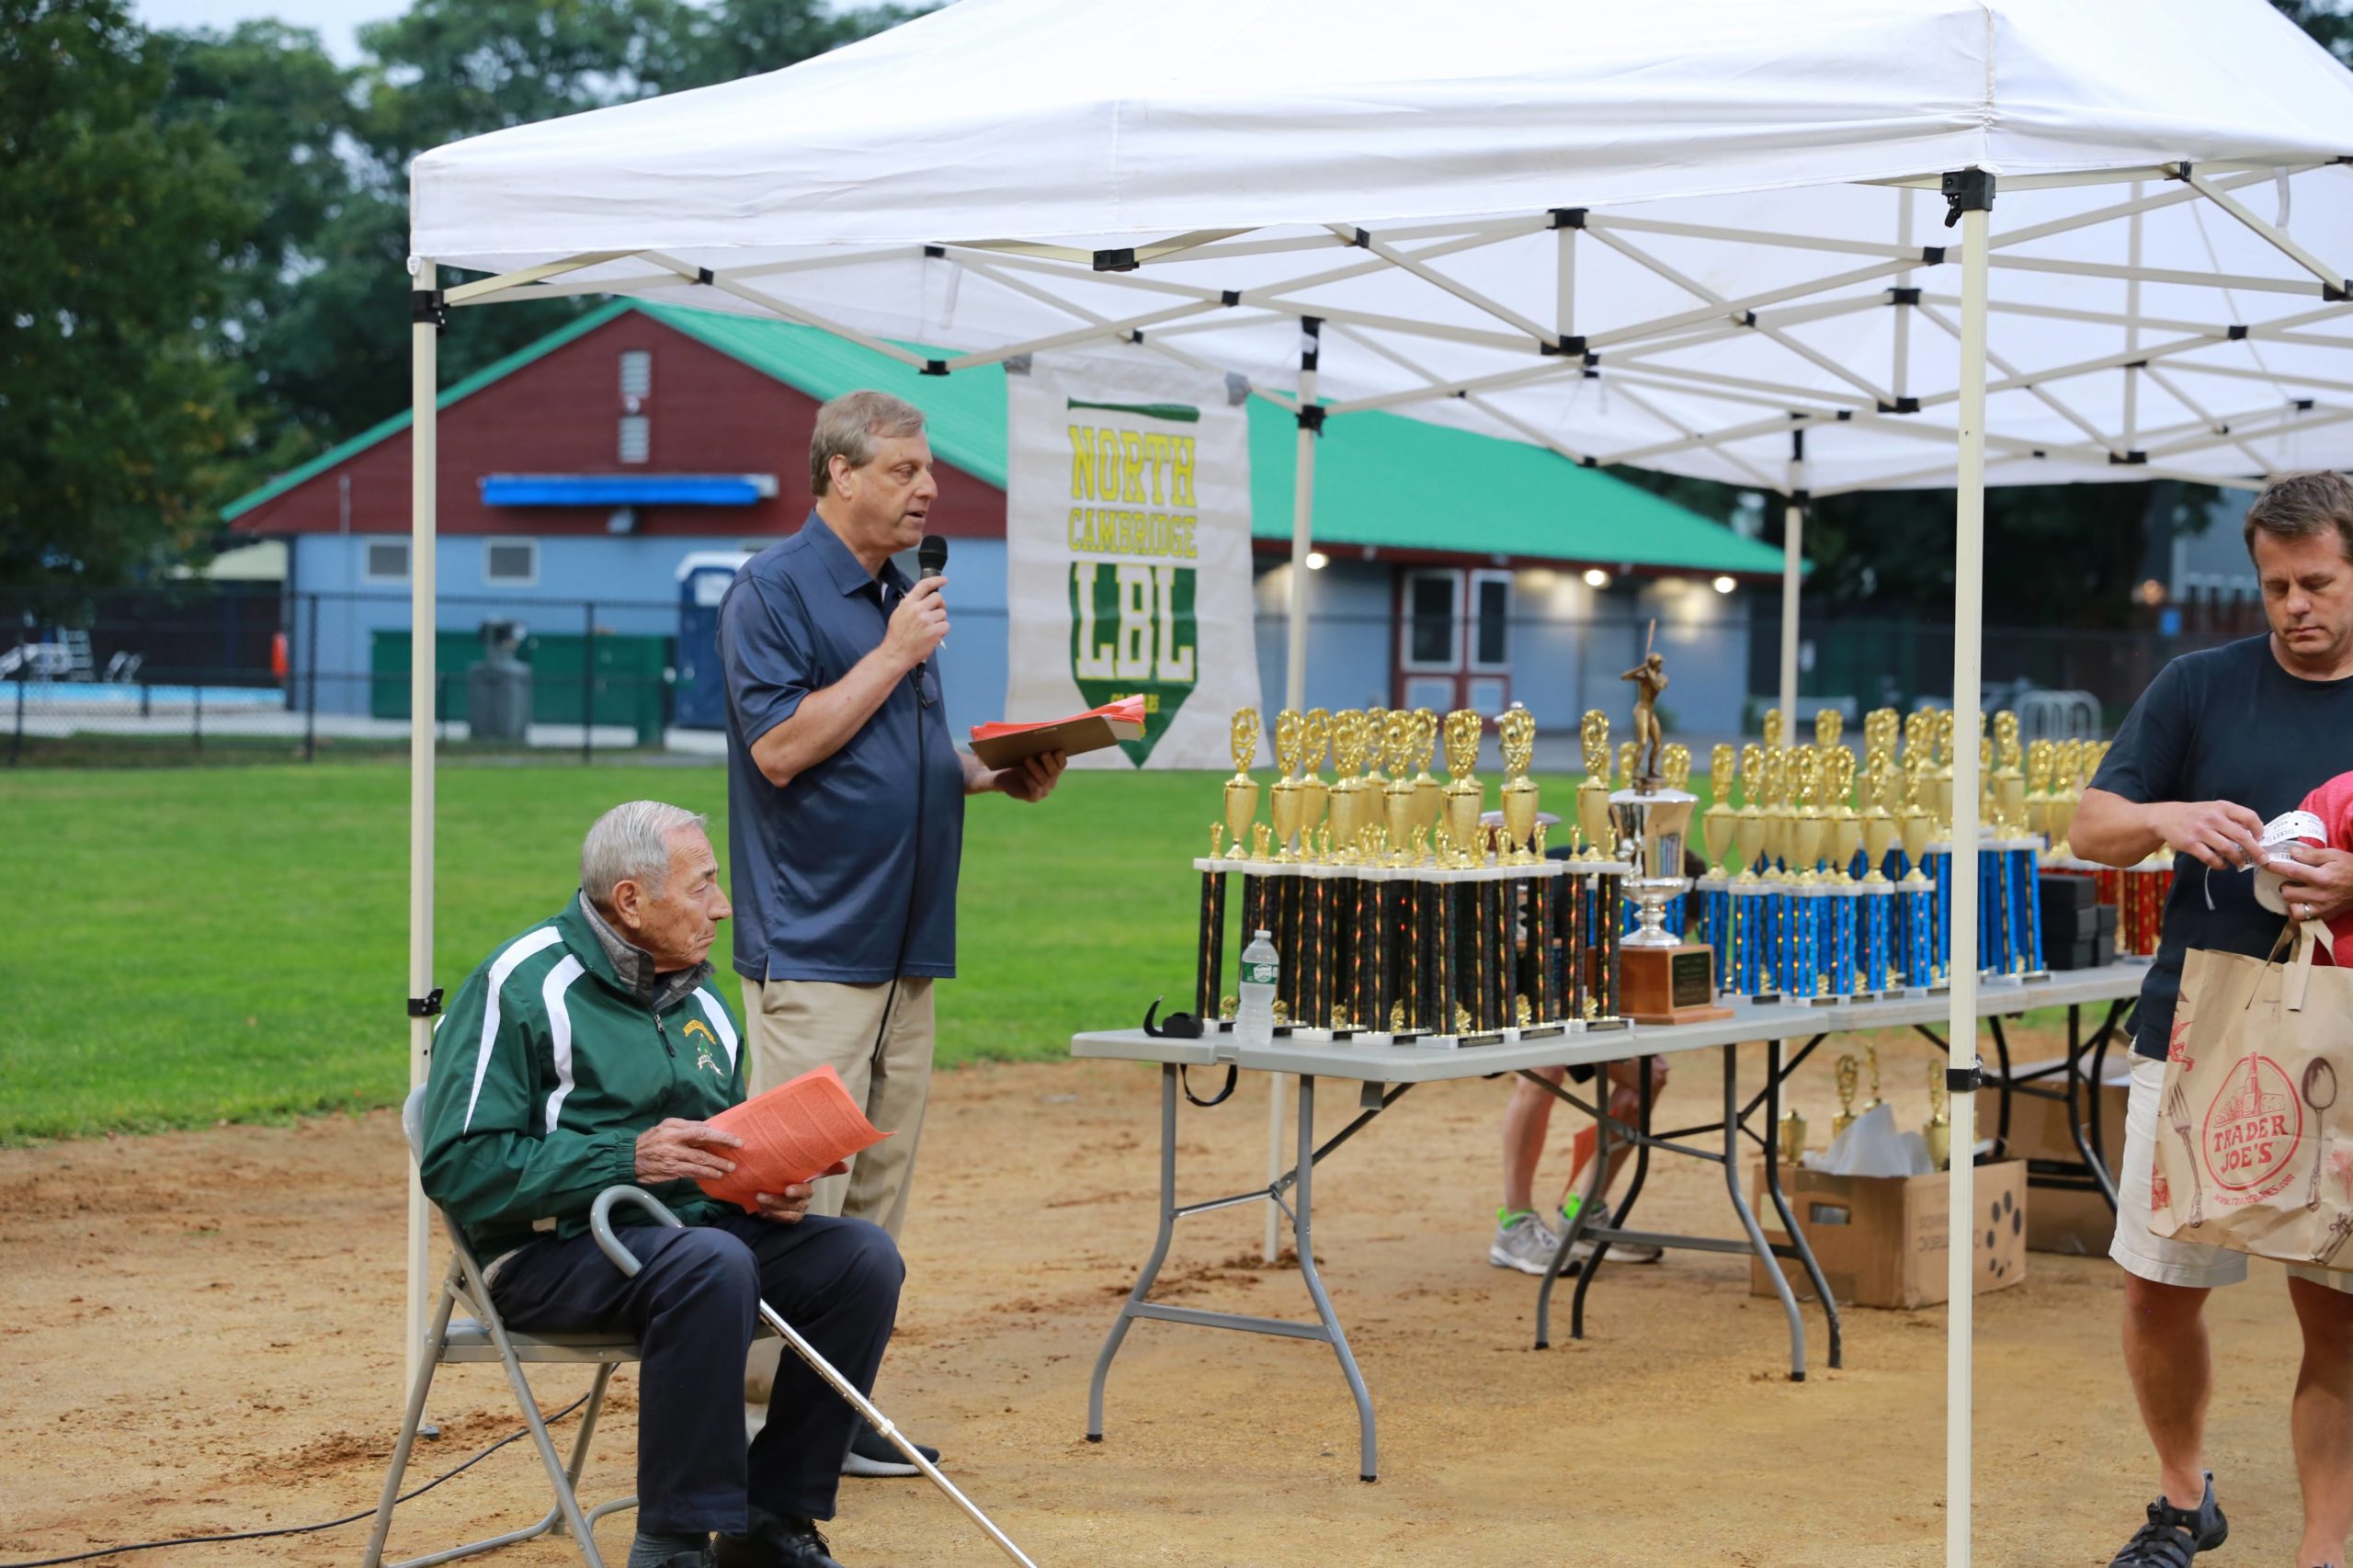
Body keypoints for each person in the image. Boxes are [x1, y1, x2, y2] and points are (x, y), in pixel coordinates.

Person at [718, 390, 1065, 1464]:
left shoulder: (894, 593)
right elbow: (781, 748)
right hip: (817, 942)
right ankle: (746, 1424)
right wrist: (892, 654)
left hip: (908, 943)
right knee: (793, 1193)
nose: (928, 488)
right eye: (904, 469)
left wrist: (986, 771)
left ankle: (830, 1418)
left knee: (875, 1193)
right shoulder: (772, 590)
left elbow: (888, 758)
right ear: (840, 473)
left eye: (928, 469)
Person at [420, 801, 898, 1568]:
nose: (723, 906)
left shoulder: (704, 1002)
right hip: (540, 1254)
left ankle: (770, 1519)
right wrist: (626, 1158)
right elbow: (458, 1167)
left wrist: (765, 1189)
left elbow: (708, 1167)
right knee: (711, 1262)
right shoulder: (519, 985)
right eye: (702, 884)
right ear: (631, 901)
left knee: (860, 1260)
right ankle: (673, 1542)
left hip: (685, 1244)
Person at [2074, 471, 2353, 1568]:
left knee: (2335, 1313)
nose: (2295, 605)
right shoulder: (2197, 684)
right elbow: (2090, 827)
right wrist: (2164, 813)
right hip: (2195, 1034)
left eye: (2317, 581)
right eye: (2276, 586)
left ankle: (2321, 1549)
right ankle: (2182, 1500)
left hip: (2342, 1041)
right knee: (2155, 1290)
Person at [1490, 1056, 1668, 1274]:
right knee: (1543, 1069)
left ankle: (1585, 1216)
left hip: (1574, 1031)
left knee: (1648, 1073)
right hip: (1521, 1033)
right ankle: (1515, 1223)